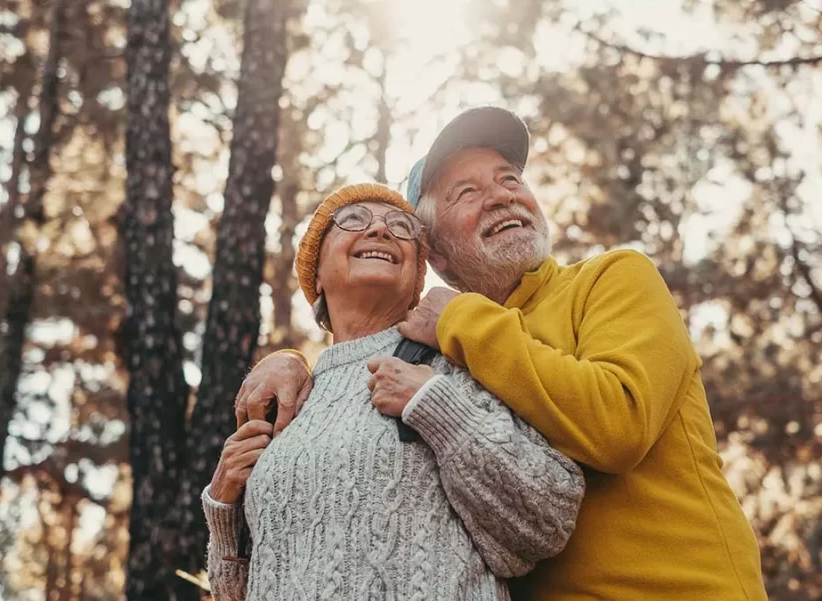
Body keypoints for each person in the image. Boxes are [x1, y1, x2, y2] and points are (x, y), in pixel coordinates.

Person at [241, 108, 770, 601]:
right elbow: (353, 365)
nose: (500, 196)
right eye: (465, 192)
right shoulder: (434, 347)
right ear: (439, 254)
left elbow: (619, 424)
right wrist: (291, 362)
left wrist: (459, 320)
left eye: (510, 179)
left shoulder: (611, 279)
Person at [203, 183, 585, 601]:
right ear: (315, 271)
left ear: (418, 277)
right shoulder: (287, 401)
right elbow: (236, 595)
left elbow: (547, 521)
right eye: (353, 220)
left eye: (401, 227)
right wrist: (223, 515)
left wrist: (439, 407)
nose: (380, 231)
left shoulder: (452, 364)